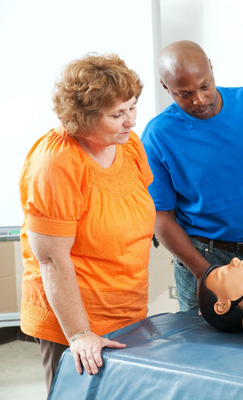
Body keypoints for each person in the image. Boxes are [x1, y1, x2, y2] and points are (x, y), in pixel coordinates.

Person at [18, 53, 155, 392]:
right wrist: (79, 334)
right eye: (117, 114)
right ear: (84, 117)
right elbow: (50, 259)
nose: (131, 122)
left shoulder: (129, 145)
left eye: (132, 107)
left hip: (127, 311)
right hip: (74, 321)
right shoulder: (57, 161)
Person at [141, 40, 243, 312]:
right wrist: (203, 272)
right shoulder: (158, 135)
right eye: (184, 94)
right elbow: (161, 216)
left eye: (204, 86)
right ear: (166, 88)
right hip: (202, 258)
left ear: (211, 68)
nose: (199, 100)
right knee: (204, 351)